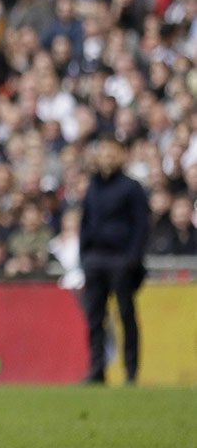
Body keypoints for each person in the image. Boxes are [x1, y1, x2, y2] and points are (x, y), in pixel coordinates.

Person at [79, 135, 149, 384]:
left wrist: (132, 258)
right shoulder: (93, 186)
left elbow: (141, 225)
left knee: (126, 315)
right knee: (95, 318)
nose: (107, 158)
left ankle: (131, 372)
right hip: (96, 258)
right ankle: (97, 369)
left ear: (121, 156)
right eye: (103, 153)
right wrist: (84, 255)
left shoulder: (131, 188)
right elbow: (85, 221)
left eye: (112, 153)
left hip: (121, 259)